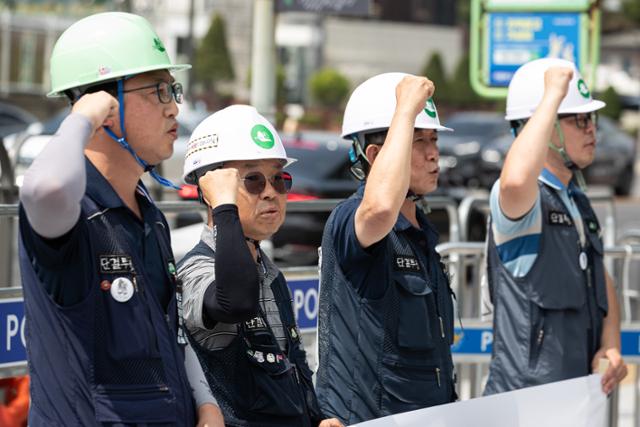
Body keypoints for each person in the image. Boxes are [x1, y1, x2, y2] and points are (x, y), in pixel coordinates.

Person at [18, 12, 223, 426]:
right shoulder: (75, 212)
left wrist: (205, 402)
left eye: (174, 89)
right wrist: (84, 115)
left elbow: (171, 335)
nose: (174, 108)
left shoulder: (148, 213)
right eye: (159, 91)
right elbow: (45, 188)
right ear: (106, 107)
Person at [179, 105, 343, 427]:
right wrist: (224, 208)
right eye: (253, 180)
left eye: (279, 179)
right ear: (212, 189)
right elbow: (235, 300)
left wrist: (318, 419)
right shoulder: (196, 270)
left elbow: (293, 368)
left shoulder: (271, 274)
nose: (270, 192)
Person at [315, 72, 457, 425]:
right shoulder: (352, 218)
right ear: (376, 155)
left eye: (434, 140)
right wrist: (405, 109)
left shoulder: (421, 231)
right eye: (417, 141)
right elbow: (379, 209)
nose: (433, 154)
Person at [483, 58, 628, 395]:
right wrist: (551, 97)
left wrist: (610, 341)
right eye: (579, 120)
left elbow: (598, 276)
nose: (592, 129)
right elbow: (516, 181)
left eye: (591, 118)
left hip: (573, 395)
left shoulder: (574, 199)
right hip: (525, 400)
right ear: (541, 125)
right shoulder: (524, 198)